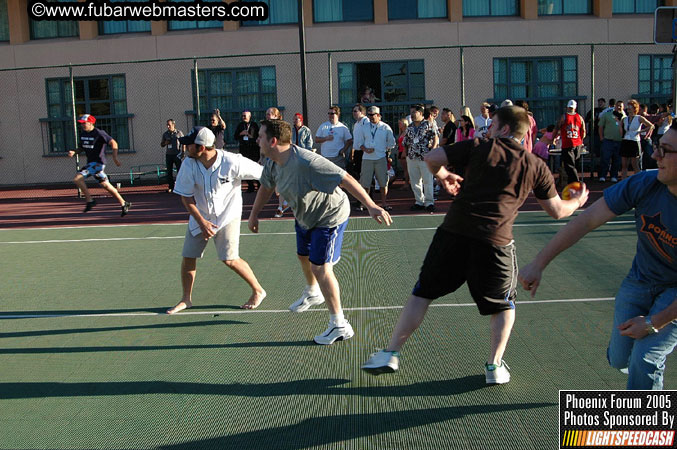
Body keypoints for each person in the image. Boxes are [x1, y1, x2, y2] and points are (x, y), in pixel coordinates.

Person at [361, 106, 588, 383]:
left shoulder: (480, 146)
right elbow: (556, 211)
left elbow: (432, 157)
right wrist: (577, 202)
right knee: (503, 305)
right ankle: (494, 366)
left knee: (423, 293)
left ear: (504, 129)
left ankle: (390, 353)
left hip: (453, 233)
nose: (489, 128)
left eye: (493, 124)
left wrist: (443, 175)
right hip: (495, 242)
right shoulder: (535, 165)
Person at [519, 121, 677, 390]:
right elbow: (586, 221)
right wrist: (539, 263)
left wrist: (652, 323)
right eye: (658, 148)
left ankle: (643, 423)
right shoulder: (645, 183)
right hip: (640, 280)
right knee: (619, 359)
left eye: (665, 150)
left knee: (645, 357)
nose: (655, 155)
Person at [248, 119, 392, 344]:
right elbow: (266, 186)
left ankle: (339, 325)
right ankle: (312, 292)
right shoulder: (272, 162)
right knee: (302, 255)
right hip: (306, 215)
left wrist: (371, 205)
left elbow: (345, 178)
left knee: (321, 268)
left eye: (261, 136)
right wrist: (254, 213)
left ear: (273, 141)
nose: (257, 140)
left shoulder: (306, 161)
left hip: (329, 215)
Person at [168, 126, 266, 314]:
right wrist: (202, 222)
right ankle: (185, 299)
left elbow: (263, 174)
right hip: (200, 216)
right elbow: (186, 198)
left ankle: (258, 290)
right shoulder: (189, 164)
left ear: (201, 147)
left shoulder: (232, 161)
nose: (186, 148)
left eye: (189, 145)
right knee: (188, 257)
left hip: (228, 215)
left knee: (229, 259)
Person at [67, 114, 131, 216]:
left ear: (91, 123)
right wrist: (74, 152)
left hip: (98, 163)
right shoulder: (83, 134)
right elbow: (81, 148)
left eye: (85, 123)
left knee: (77, 178)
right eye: (81, 124)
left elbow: (114, 143)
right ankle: (124, 203)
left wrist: (115, 157)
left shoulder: (99, 133)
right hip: (91, 164)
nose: (83, 125)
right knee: (106, 185)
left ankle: (90, 201)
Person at [353, 106, 396, 211]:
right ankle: (365, 204)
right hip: (367, 158)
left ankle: (384, 203)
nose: (370, 117)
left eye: (372, 114)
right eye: (369, 115)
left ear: (378, 115)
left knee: (383, 182)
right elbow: (359, 143)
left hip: (380, 158)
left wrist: (384, 149)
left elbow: (391, 143)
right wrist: (365, 149)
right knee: (365, 182)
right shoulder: (364, 127)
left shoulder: (385, 127)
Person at [404, 103, 437, 212]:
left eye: (414, 112)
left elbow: (435, 137)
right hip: (412, 157)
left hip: (425, 157)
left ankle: (429, 202)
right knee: (415, 181)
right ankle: (419, 201)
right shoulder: (410, 127)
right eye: (411, 112)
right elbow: (406, 141)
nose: (412, 115)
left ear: (421, 113)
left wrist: (432, 150)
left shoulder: (429, 124)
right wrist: (407, 155)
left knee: (427, 180)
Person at [553, 99, 586, 184]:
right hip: (577, 143)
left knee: (569, 165)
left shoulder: (563, 117)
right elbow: (583, 131)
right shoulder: (580, 117)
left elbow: (556, 128)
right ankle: (572, 182)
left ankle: (575, 182)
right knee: (574, 164)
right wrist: (581, 140)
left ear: (567, 107)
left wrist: (553, 138)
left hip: (567, 143)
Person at [620, 99, 654, 180]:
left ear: (635, 108)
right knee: (624, 164)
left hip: (635, 141)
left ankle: (639, 181)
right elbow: (621, 130)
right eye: (628, 107)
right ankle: (623, 182)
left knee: (634, 164)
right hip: (626, 141)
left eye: (630, 107)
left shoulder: (639, 118)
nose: (628, 108)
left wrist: (641, 131)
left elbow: (651, 126)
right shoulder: (624, 119)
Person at [598, 100, 625, 182]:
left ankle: (614, 176)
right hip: (608, 141)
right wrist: (601, 137)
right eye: (618, 105)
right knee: (605, 159)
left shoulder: (624, 117)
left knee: (617, 160)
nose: (619, 107)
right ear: (615, 106)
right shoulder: (607, 114)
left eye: (621, 106)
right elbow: (600, 126)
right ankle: (602, 176)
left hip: (619, 141)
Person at [234, 110, 260, 192]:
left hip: (253, 150)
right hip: (244, 150)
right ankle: (250, 186)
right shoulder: (240, 125)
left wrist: (249, 135)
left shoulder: (254, 125)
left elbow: (257, 137)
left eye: (245, 116)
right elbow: (235, 136)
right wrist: (241, 134)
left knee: (255, 167)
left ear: (250, 116)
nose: (243, 117)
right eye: (242, 116)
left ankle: (259, 185)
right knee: (245, 168)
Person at [161, 119, 185, 193]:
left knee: (179, 170)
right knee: (169, 171)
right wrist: (165, 142)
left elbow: (184, 142)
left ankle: (181, 186)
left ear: (173, 125)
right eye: (167, 125)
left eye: (169, 125)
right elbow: (162, 144)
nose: (168, 126)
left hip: (177, 154)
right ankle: (171, 187)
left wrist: (183, 152)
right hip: (169, 155)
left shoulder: (179, 133)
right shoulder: (165, 134)